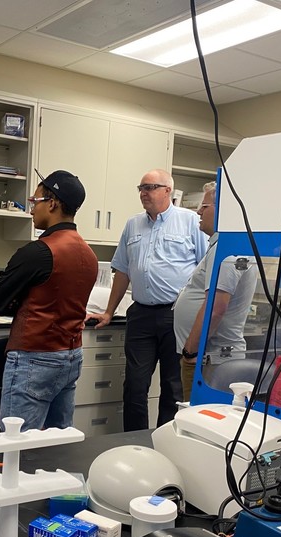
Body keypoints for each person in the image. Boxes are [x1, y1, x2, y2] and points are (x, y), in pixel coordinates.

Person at [87, 169, 207, 430]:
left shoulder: (190, 222)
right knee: (134, 385)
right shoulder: (133, 224)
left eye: (150, 187)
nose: (144, 193)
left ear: (168, 191)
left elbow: (205, 269)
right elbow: (123, 270)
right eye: (141, 188)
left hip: (176, 315)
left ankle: (167, 445)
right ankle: (134, 442)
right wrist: (108, 312)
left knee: (172, 388)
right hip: (140, 314)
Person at [0, 169, 98, 431]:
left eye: (34, 201)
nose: (31, 209)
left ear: (52, 203)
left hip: (34, 358)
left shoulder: (38, 252)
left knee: (17, 444)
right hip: (71, 357)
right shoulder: (88, 254)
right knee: (56, 442)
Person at [173, 181, 258, 403]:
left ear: (225, 210)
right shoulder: (220, 246)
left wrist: (191, 351)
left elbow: (215, 308)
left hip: (211, 360)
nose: (198, 211)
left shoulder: (228, 250)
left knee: (199, 423)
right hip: (208, 357)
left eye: (205, 206)